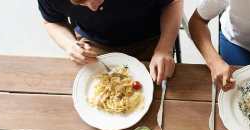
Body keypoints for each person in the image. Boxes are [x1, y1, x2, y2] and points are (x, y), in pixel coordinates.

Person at [37, 0, 183, 84]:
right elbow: (51, 21)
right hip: (93, 46)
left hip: (149, 41)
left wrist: (164, 48)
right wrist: (69, 44)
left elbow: (173, 2)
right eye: (81, 2)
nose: (93, 7)